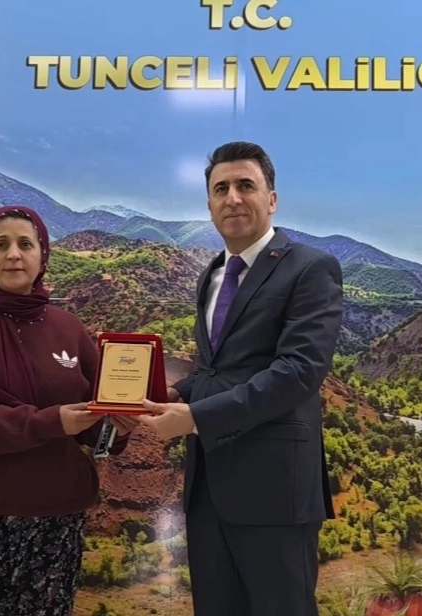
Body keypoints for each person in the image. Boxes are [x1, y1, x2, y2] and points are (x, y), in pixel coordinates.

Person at [139, 141, 344, 616]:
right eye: (221, 189)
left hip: (275, 490)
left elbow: (299, 372)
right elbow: (216, 370)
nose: (232, 198)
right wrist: (173, 394)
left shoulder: (310, 268)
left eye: (245, 185)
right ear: (209, 204)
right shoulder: (211, 274)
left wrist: (194, 418)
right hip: (208, 488)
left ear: (271, 198)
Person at [0, 205, 138, 616]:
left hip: (55, 520)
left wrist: (118, 429)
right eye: (1, 244)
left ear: (43, 254)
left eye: (25, 244)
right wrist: (51, 421)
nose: (14, 255)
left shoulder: (69, 328)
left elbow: (93, 425)